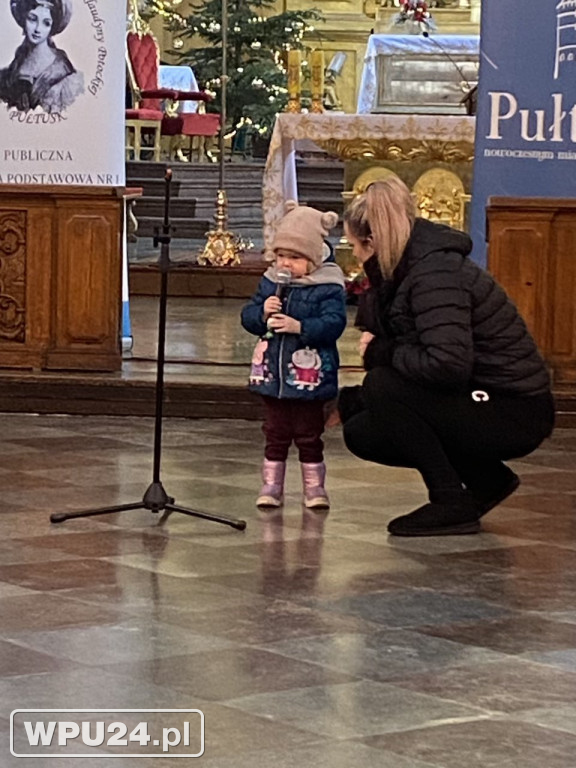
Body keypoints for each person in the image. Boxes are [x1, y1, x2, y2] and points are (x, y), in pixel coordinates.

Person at [338, 176, 554, 537]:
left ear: (372, 244)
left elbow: (447, 365)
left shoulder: (433, 274)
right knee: (363, 430)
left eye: (355, 246)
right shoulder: (412, 267)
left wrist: (382, 352)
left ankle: (449, 500)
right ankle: (487, 481)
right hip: (486, 397)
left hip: (515, 408)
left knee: (383, 386)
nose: (356, 256)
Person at [241, 201, 347, 510]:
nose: (285, 264)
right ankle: (271, 486)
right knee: (275, 432)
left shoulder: (327, 285)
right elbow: (247, 317)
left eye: (295, 258)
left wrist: (300, 326)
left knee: (308, 434)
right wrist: (262, 312)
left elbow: (334, 324)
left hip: (309, 379)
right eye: (281, 256)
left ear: (313, 258)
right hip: (272, 374)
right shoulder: (271, 282)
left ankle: (315, 488)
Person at [0, 0, 83, 113]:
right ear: (24, 18)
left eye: (46, 23)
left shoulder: (63, 71)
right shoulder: (17, 63)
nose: (38, 29)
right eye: (32, 19)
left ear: (52, 27)